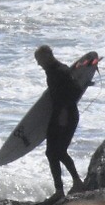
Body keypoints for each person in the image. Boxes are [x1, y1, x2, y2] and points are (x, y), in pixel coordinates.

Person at [35, 44, 87, 197]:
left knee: (56, 151)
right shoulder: (53, 71)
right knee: (52, 152)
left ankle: (74, 183)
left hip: (65, 115)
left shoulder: (59, 71)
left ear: (48, 56)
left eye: (39, 60)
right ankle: (61, 189)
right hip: (60, 114)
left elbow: (73, 92)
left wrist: (63, 113)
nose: (38, 64)